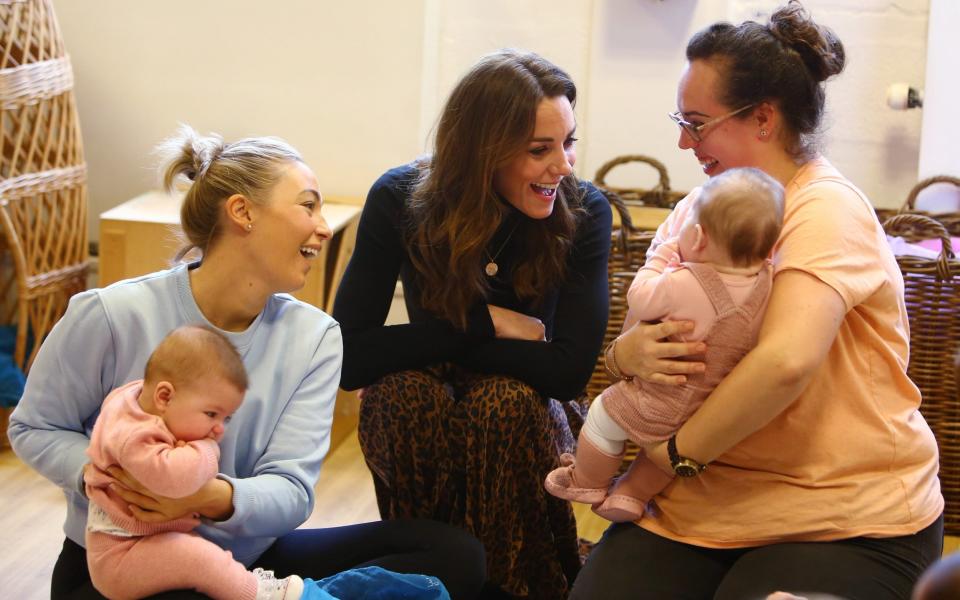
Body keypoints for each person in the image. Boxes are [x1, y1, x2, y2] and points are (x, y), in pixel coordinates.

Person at [9, 126, 486, 600]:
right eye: (307, 204)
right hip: (118, 568)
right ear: (242, 212)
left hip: (243, 564)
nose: (322, 226)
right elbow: (34, 427)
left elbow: (291, 490)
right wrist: (115, 478)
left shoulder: (315, 338)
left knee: (453, 555)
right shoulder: (112, 314)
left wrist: (205, 497)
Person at [569, 2, 944, 599]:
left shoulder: (824, 207)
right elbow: (640, 330)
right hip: (702, 504)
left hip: (840, 516)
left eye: (696, 122)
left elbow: (784, 363)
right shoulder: (697, 209)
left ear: (763, 118)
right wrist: (627, 356)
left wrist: (665, 460)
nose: (682, 140)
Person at [332, 49, 612, 599]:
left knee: (500, 404)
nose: (564, 165)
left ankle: (516, 587)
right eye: (540, 150)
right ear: (482, 151)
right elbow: (345, 356)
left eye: (568, 141)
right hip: (431, 384)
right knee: (401, 397)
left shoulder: (584, 210)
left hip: (530, 403)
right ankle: (417, 581)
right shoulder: (400, 197)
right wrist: (483, 324)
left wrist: (439, 341)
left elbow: (567, 373)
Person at [545, 167, 784, 523]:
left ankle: (587, 481)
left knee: (603, 416)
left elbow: (640, 299)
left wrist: (661, 258)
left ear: (699, 238)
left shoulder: (684, 281)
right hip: (706, 409)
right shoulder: (766, 285)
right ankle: (631, 494)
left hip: (659, 398)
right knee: (667, 455)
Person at [84, 325, 303, 600]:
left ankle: (244, 583)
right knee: (201, 560)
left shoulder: (133, 402)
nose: (219, 430)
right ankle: (257, 594)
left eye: (225, 418)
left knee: (205, 556)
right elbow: (176, 479)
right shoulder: (133, 436)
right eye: (211, 414)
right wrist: (207, 449)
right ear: (164, 397)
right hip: (122, 555)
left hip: (142, 542)